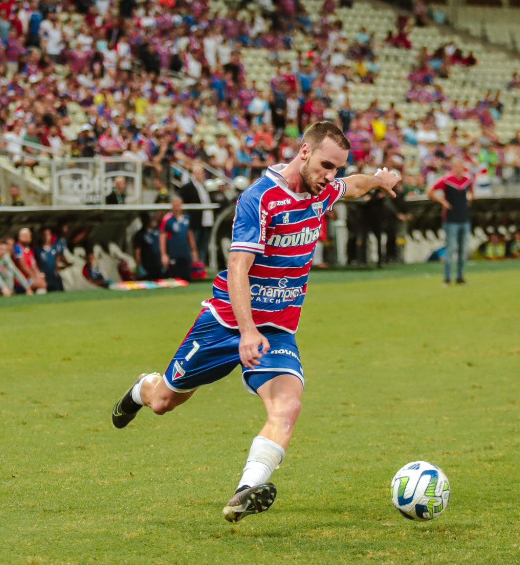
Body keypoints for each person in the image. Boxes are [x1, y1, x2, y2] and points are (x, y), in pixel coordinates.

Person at [110, 121, 400, 523]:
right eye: (325, 165)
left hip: (277, 328)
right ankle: (141, 388)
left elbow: (356, 184)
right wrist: (246, 330)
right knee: (165, 401)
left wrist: (380, 178)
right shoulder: (259, 199)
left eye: (336, 168)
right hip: (227, 321)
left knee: (288, 405)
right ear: (304, 152)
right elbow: (238, 268)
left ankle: (245, 490)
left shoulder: (325, 189)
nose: (330, 176)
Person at [429, 159, 474, 285]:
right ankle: (447, 279)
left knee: (463, 249)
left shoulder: (467, 181)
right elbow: (430, 191)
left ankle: (460, 277)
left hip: (464, 218)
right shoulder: (447, 180)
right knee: (451, 248)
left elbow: (471, 194)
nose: (459, 169)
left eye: (461, 166)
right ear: (453, 168)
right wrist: (443, 202)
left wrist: (469, 201)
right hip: (451, 219)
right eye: (457, 166)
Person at [159, 197, 200, 281]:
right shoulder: (167, 219)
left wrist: (194, 251)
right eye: (175, 204)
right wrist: (164, 254)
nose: (177, 206)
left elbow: (190, 235)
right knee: (176, 279)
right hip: (173, 253)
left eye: (179, 204)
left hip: (185, 252)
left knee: (187, 278)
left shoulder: (187, 218)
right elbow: (163, 238)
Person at [13, 228, 47, 292]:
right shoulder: (18, 248)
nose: (28, 237)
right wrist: (34, 277)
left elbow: (33, 265)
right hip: (21, 279)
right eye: (25, 236)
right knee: (40, 284)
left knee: (42, 281)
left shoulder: (29, 250)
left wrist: (38, 275)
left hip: (30, 277)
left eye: (29, 236)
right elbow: (23, 265)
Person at [133, 212, 164, 280]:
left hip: (158, 264)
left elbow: (162, 246)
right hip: (147, 266)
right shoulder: (139, 235)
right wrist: (139, 266)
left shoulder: (157, 232)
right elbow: (137, 252)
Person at [35, 227, 65, 292]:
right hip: (45, 277)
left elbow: (57, 259)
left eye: (48, 235)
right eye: (45, 235)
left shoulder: (54, 248)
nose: (47, 237)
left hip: (54, 276)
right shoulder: (38, 250)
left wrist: (57, 270)